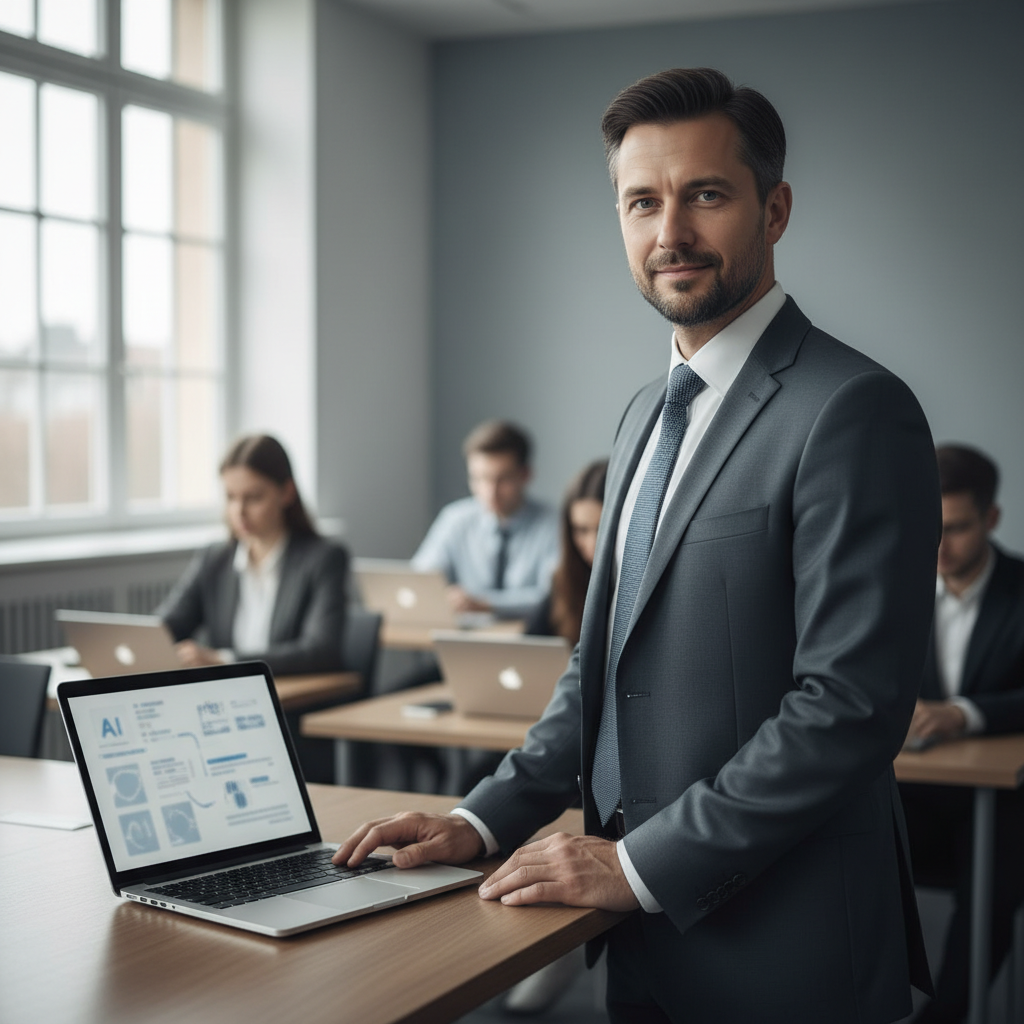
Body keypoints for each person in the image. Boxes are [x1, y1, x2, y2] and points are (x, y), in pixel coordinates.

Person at [336, 67, 940, 1023]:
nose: (671, 234)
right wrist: (478, 819)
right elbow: (600, 670)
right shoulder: (641, 420)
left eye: (706, 195)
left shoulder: (854, 408)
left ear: (775, 210)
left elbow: (849, 708)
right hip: (639, 942)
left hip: (789, 948)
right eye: (642, 202)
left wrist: (637, 864)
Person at [900, 445, 1024, 1024]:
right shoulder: (893, 591)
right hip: (914, 794)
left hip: (1002, 803)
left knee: (995, 878)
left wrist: (963, 714)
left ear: (992, 518)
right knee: (835, 844)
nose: (938, 546)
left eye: (956, 528)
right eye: (929, 527)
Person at [158, 434, 349, 677]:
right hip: (227, 694)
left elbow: (322, 651)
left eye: (254, 498)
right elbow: (168, 626)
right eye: (231, 497)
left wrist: (225, 660)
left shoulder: (324, 559)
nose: (239, 511)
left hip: (289, 695)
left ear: (286, 493)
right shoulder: (214, 558)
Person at [411, 420, 558, 620]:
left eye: (503, 479)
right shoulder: (455, 519)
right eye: (479, 478)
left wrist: (486, 604)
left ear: (525, 475)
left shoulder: (553, 524)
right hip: (464, 634)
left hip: (529, 634)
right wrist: (444, 595)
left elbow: (553, 597)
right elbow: (421, 578)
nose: (490, 492)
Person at [524, 458, 608, 644]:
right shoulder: (564, 582)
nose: (592, 543)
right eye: (581, 530)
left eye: (602, 529)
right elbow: (527, 645)